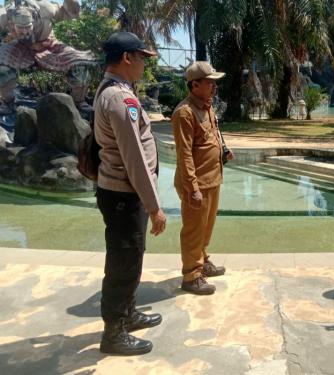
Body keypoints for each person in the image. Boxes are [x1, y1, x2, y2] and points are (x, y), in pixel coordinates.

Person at [94, 31, 167, 355]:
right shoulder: (120, 99)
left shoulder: (116, 90)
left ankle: (128, 313)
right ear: (127, 58)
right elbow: (133, 155)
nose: (143, 64)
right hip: (124, 194)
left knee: (132, 257)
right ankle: (113, 333)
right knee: (123, 262)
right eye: (141, 58)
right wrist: (154, 207)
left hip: (123, 191)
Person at [171, 61, 233, 295]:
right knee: (194, 229)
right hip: (196, 183)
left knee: (206, 227)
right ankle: (191, 275)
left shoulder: (207, 107)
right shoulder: (184, 113)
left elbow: (213, 136)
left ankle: (202, 259)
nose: (214, 87)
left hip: (212, 177)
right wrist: (192, 187)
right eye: (210, 82)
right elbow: (184, 153)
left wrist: (224, 151)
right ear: (195, 85)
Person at [0, 0, 96, 113]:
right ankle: (8, 102)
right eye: (20, 27)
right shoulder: (4, 15)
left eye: (28, 27)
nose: (25, 31)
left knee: (79, 64)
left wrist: (71, 2)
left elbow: (70, 14)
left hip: (49, 46)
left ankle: (79, 101)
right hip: (22, 47)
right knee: (2, 65)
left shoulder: (45, 8)